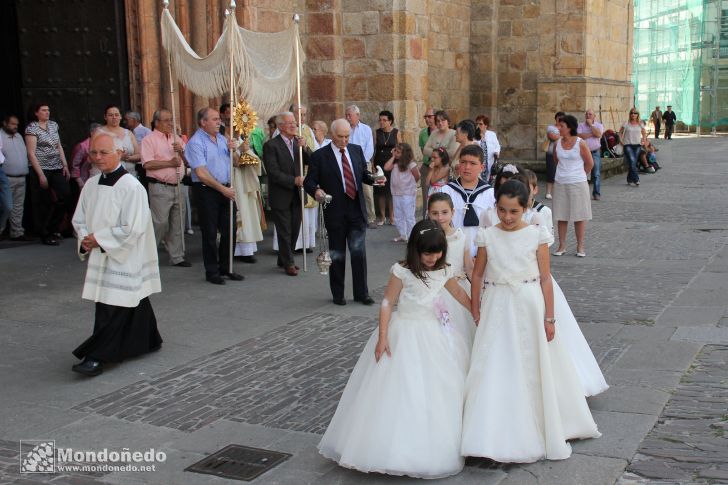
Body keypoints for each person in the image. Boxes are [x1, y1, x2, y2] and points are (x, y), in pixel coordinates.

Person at [318, 219, 471, 479]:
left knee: (437, 386)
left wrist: (478, 312)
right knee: (399, 385)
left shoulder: (444, 271)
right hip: (405, 331)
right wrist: (383, 337)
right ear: (414, 249)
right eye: (426, 253)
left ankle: (431, 443)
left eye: (437, 253)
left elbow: (459, 294)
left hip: (434, 332)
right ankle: (387, 445)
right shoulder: (402, 271)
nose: (432, 258)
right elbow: (388, 303)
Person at [462, 179, 601, 462]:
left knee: (534, 360)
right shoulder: (488, 235)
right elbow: (477, 274)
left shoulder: (536, 235)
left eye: (513, 211)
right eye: (502, 210)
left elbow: (545, 278)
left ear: (525, 208)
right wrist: (475, 305)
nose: (507, 217)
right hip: (497, 302)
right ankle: (490, 427)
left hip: (528, 301)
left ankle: (547, 419)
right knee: (494, 360)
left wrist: (550, 317)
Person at [70, 133, 163, 377]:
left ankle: (97, 356)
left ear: (119, 153)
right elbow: (79, 218)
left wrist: (99, 239)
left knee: (113, 306)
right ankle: (149, 339)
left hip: (126, 255)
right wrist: (86, 238)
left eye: (103, 153)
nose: (98, 158)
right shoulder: (91, 184)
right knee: (130, 300)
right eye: (93, 153)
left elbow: (133, 228)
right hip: (101, 253)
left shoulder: (132, 187)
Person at [304, 119, 380, 306]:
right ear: (332, 134)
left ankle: (362, 293)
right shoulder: (320, 156)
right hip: (335, 211)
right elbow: (309, 182)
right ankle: (338, 294)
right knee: (337, 253)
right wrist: (317, 191)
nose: (344, 140)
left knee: (358, 252)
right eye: (341, 137)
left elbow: (363, 175)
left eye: (347, 136)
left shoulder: (356, 150)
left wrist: (375, 179)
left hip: (356, 209)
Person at [186, 107, 243, 285]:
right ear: (203, 122)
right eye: (214, 119)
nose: (219, 122)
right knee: (210, 232)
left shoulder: (221, 139)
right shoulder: (195, 143)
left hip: (225, 187)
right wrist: (222, 190)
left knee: (230, 230)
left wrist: (234, 151)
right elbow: (201, 173)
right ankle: (212, 271)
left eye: (219, 119)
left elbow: (236, 163)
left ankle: (227, 267)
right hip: (207, 190)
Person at [140, 109, 191, 267]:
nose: (171, 123)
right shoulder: (149, 140)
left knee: (178, 222)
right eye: (167, 120)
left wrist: (181, 153)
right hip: (160, 187)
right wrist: (170, 163)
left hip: (178, 185)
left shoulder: (176, 139)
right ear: (157, 122)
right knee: (160, 222)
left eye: (171, 120)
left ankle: (177, 256)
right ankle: (148, 255)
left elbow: (189, 162)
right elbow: (147, 164)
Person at [264, 111, 310, 276]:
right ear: (280, 126)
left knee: (295, 229)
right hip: (281, 194)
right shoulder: (271, 145)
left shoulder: (297, 143)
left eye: (295, 123)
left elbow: (311, 160)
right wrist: (294, 180)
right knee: (285, 230)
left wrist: (304, 147)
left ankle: (283, 258)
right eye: (290, 123)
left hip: (297, 194)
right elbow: (273, 172)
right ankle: (289, 262)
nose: (294, 126)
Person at [427, 192, 475, 349]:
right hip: (435, 290)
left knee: (461, 332)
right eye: (435, 213)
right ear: (428, 213)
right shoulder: (425, 237)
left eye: (444, 212)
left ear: (453, 212)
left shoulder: (461, 236)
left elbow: (468, 266)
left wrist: (478, 288)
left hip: (459, 289)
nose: (440, 218)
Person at [25, 103, 71, 246]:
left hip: (56, 166)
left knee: (65, 195)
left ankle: (53, 227)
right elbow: (31, 153)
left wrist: (65, 165)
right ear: (36, 113)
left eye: (48, 110)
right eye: (43, 110)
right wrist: (40, 175)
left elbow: (59, 146)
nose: (47, 112)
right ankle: (45, 233)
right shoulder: (32, 128)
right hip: (41, 168)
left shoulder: (53, 125)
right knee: (43, 202)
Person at [440, 144, 495, 257]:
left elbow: (494, 228)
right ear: (458, 164)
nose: (467, 167)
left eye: (473, 163)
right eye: (463, 162)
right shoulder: (445, 191)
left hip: (481, 255)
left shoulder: (491, 194)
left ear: (482, 167)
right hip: (450, 252)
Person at [553, 114, 594, 258]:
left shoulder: (580, 143)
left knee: (579, 215)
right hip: (560, 182)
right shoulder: (557, 143)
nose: (558, 128)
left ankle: (580, 246)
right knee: (561, 214)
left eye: (561, 126)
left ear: (569, 128)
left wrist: (580, 174)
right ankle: (562, 245)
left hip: (578, 182)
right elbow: (556, 159)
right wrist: (564, 173)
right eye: (558, 125)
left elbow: (590, 163)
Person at [232, 138, 265, 263]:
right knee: (240, 214)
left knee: (248, 215)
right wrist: (241, 151)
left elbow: (255, 161)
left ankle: (247, 250)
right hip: (234, 181)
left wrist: (246, 151)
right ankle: (235, 250)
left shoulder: (241, 139)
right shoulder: (223, 139)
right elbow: (236, 162)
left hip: (245, 182)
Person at [1, 115, 32, 241]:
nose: (15, 127)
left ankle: (17, 232)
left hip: (21, 177)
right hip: (5, 177)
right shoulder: (0, 136)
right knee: (5, 206)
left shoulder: (19, 136)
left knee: (18, 207)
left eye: (17, 125)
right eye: (13, 124)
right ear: (5, 123)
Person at [345, 105, 376, 228]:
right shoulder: (345, 129)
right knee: (349, 190)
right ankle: (351, 217)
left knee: (367, 191)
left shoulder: (366, 129)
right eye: (346, 115)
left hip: (363, 163)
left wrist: (362, 162)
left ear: (357, 116)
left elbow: (369, 148)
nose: (347, 118)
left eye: (349, 115)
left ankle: (371, 218)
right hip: (347, 163)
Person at [383, 142, 419, 242]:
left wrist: (410, 185)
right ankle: (403, 234)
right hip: (396, 193)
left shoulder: (411, 164)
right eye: (396, 151)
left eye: (398, 152)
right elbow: (386, 167)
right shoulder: (395, 162)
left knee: (408, 216)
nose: (396, 153)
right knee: (398, 215)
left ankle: (412, 236)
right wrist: (393, 156)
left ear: (404, 153)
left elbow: (417, 176)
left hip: (407, 193)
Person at [373, 110, 402, 226]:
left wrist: (400, 164)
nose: (381, 122)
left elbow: (401, 148)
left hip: (392, 164)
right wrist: (372, 165)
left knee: (391, 191)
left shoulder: (396, 132)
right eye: (380, 120)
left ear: (390, 121)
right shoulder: (376, 132)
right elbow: (374, 149)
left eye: (384, 120)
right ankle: (382, 217)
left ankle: (392, 216)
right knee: (380, 190)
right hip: (379, 163)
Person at [98, 105, 141, 177]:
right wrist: (118, 157)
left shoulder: (129, 133)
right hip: (108, 175)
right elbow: (93, 156)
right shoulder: (99, 133)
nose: (114, 117)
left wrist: (127, 158)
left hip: (129, 175)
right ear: (105, 117)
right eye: (110, 115)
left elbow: (139, 155)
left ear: (120, 117)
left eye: (116, 115)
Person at [577, 109, 604, 201]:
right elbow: (580, 136)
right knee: (583, 173)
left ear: (594, 116)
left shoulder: (599, 125)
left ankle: (596, 193)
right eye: (587, 114)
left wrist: (591, 125)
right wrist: (592, 134)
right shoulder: (580, 125)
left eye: (590, 114)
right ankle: (582, 193)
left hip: (595, 152)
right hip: (583, 152)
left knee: (596, 173)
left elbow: (599, 135)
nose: (588, 116)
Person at [619, 108, 646, 188]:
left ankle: (629, 179)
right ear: (630, 114)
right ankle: (636, 179)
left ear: (638, 114)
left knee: (632, 163)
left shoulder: (640, 123)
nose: (633, 114)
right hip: (628, 145)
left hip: (637, 145)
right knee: (632, 160)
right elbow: (620, 132)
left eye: (635, 113)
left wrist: (643, 141)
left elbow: (644, 133)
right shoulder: (626, 123)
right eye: (631, 113)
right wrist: (621, 141)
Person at [419, 107, 437, 217]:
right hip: (426, 167)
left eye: (429, 116)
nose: (427, 119)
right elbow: (423, 150)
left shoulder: (442, 132)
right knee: (426, 196)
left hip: (439, 169)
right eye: (425, 117)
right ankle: (425, 220)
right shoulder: (423, 133)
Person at [544, 111, 564, 199]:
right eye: (558, 118)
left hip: (563, 153)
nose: (560, 120)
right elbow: (552, 136)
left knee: (561, 173)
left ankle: (558, 193)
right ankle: (548, 192)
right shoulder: (551, 127)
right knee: (551, 172)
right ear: (555, 118)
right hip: (551, 152)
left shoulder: (565, 127)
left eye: (562, 118)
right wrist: (563, 136)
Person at [475, 115, 500, 180]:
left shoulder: (492, 134)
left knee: (489, 181)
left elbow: (497, 146)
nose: (478, 126)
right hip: (478, 163)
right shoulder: (474, 135)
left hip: (489, 163)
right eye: (477, 124)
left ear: (486, 125)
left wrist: (496, 152)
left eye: (480, 124)